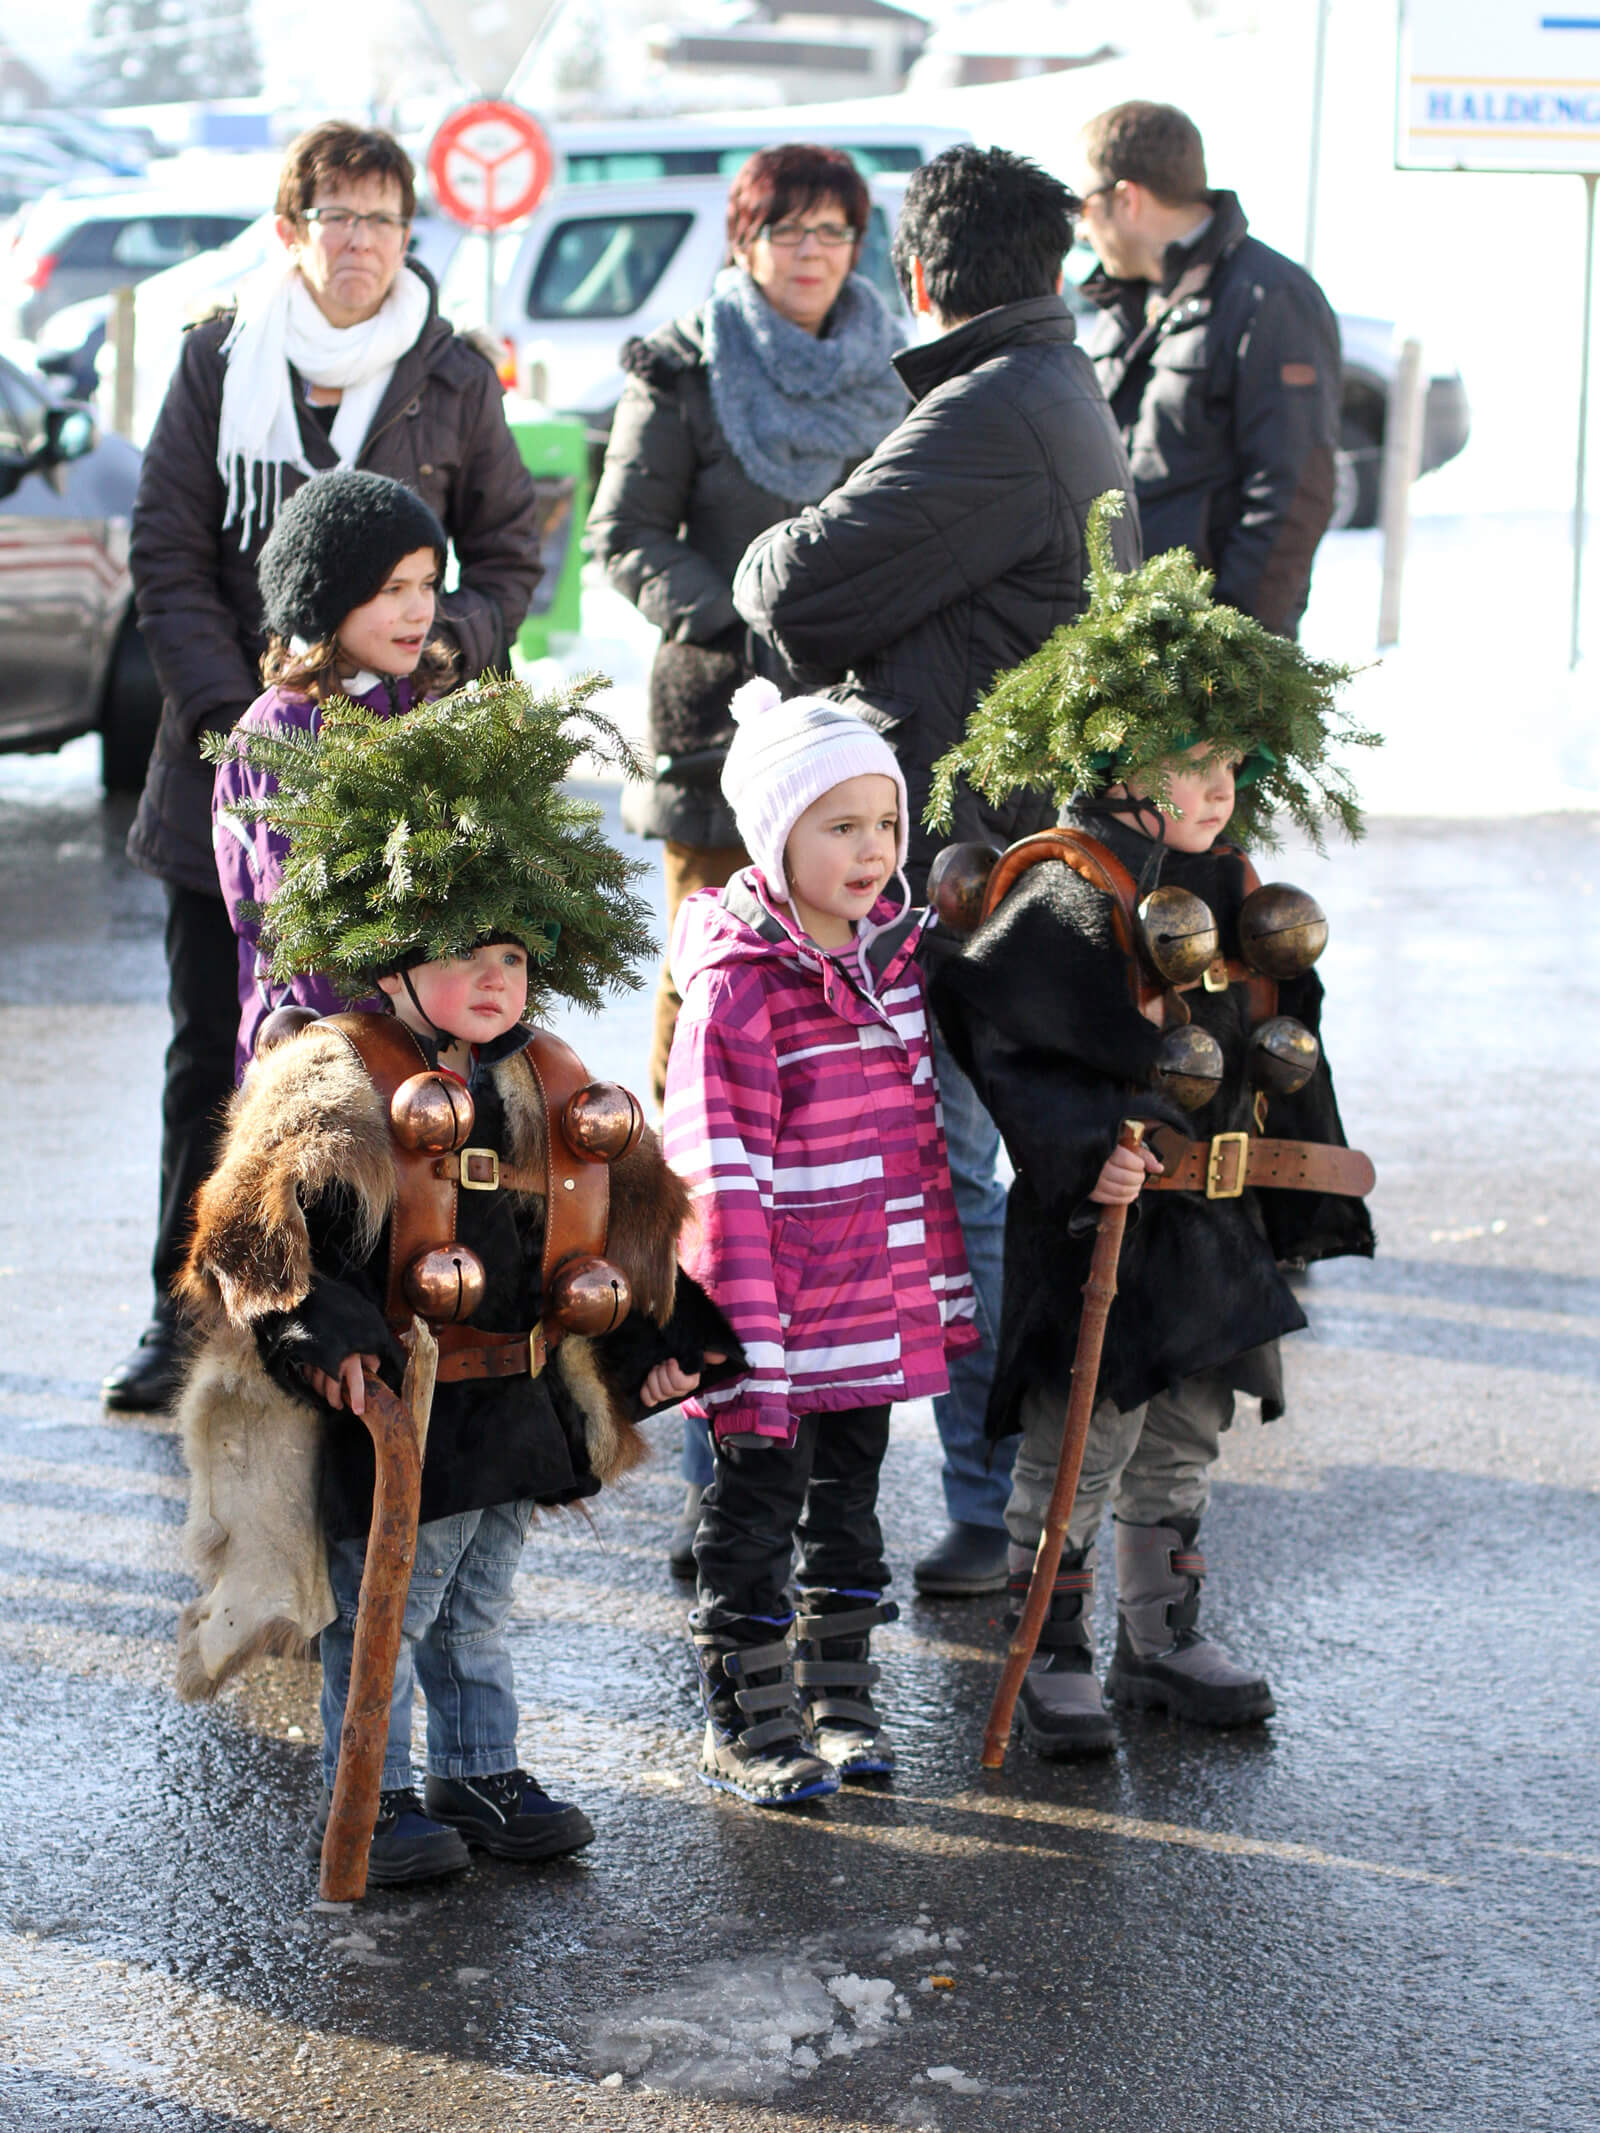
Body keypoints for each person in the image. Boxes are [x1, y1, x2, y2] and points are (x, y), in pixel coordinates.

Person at [177, 671, 737, 1884]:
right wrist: (324, 1340)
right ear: (390, 951)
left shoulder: (546, 1072)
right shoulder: (334, 1077)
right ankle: (362, 1794)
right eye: (461, 954)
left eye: (513, 956)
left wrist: (660, 1332)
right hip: (395, 1404)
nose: (494, 980)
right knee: (390, 1602)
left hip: (510, 1395)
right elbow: (258, 1240)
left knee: (479, 1604)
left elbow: (618, 1216)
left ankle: (476, 1774)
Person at [732, 145, 1139, 1600]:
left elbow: (791, 588)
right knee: (977, 1179)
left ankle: (988, 1507)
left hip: (971, 870)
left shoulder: (991, 411)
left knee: (953, 1185)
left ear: (917, 275)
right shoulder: (1055, 389)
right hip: (1017, 854)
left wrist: (776, 549)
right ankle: (1002, 1504)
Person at [929, 494, 1376, 1760]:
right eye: (1194, 766)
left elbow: (1281, 1036)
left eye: (1234, 768)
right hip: (1105, 1213)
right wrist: (1092, 1144)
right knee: (1085, 1431)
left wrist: (1296, 1195)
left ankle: (1160, 1634)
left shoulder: (1233, 885)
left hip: (1211, 1220)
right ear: (1122, 759)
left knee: (1186, 1426)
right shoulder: (1070, 886)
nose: (1219, 790)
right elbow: (1012, 1035)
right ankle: (1051, 1644)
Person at [106, 119, 542, 1415]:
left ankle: (386, 1307)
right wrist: (259, 721)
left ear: (411, 237)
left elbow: (510, 554)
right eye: (335, 218)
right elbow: (168, 553)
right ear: (291, 231)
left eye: (382, 220)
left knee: (398, 1060)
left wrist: (432, 663)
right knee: (218, 1063)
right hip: (227, 778)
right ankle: (191, 1307)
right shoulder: (216, 359)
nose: (359, 244)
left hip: (408, 780)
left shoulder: (451, 372)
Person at [587, 144, 909, 1575]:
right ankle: (691, 1348)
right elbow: (623, 535)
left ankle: (814, 1336)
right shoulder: (681, 366)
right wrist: (733, 618)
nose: (812, 252)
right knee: (700, 1053)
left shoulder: (895, 369)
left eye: (835, 231)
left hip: (846, 751)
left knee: (835, 1061)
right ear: (748, 238)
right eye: (787, 230)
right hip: (716, 739)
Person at [662, 680, 977, 1805]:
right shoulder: (740, 991)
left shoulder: (894, 964)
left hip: (868, 1308)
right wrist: (743, 1328)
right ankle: (745, 1719)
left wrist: (931, 1288)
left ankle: (840, 1702)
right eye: (838, 827)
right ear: (774, 835)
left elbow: (917, 1151)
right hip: (774, 1318)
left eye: (884, 824)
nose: (871, 851)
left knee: (848, 1515)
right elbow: (712, 1173)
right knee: (749, 1518)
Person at [214, 467, 455, 1075]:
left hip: (433, 1035)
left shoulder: (416, 706)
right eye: (392, 589)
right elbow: (300, 924)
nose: (418, 609)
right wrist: (394, 1026)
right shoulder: (284, 733)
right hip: (321, 1053)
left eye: (427, 584)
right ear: (327, 599)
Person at [1072, 99, 1340, 638]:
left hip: (1205, 659)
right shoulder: (1124, 307)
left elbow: (1293, 490)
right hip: (1123, 648)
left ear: (1126, 199)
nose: (1080, 229)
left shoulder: (1271, 298)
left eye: (1082, 205)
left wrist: (1231, 644)